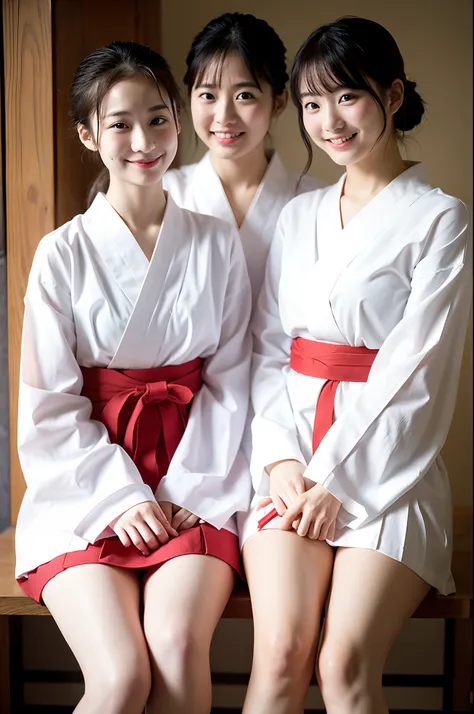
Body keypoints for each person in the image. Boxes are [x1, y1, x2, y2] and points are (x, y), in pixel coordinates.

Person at [242, 16, 472, 714]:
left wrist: (335, 479)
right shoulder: (298, 215)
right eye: (311, 104)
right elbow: (267, 350)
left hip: (387, 473)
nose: (328, 121)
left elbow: (419, 373)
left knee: (342, 665)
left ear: (393, 94)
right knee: (282, 654)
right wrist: (282, 461)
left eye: (347, 97)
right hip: (292, 461)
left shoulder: (441, 219)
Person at [15, 41, 251, 714]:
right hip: (85, 486)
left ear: (179, 120)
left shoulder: (215, 241)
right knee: (121, 677)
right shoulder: (61, 254)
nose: (143, 140)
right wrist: (121, 497)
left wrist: (184, 489)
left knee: (176, 648)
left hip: (196, 475)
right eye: (120, 123)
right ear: (89, 134)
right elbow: (49, 408)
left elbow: (231, 379)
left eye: (158, 117)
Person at [163, 11, 325, 304]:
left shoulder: (316, 201)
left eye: (245, 95)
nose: (224, 116)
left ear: (278, 102)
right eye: (208, 96)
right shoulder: (166, 193)